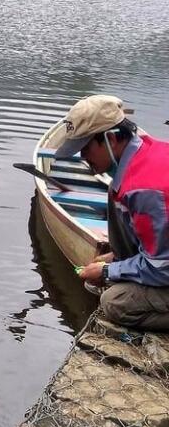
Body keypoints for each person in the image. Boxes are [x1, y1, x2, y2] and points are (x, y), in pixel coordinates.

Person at [53, 94, 169, 330]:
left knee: (115, 303)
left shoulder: (144, 189)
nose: (83, 158)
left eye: (85, 149)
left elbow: (163, 268)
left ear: (112, 138)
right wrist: (116, 259)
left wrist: (108, 271)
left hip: (164, 267)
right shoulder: (149, 152)